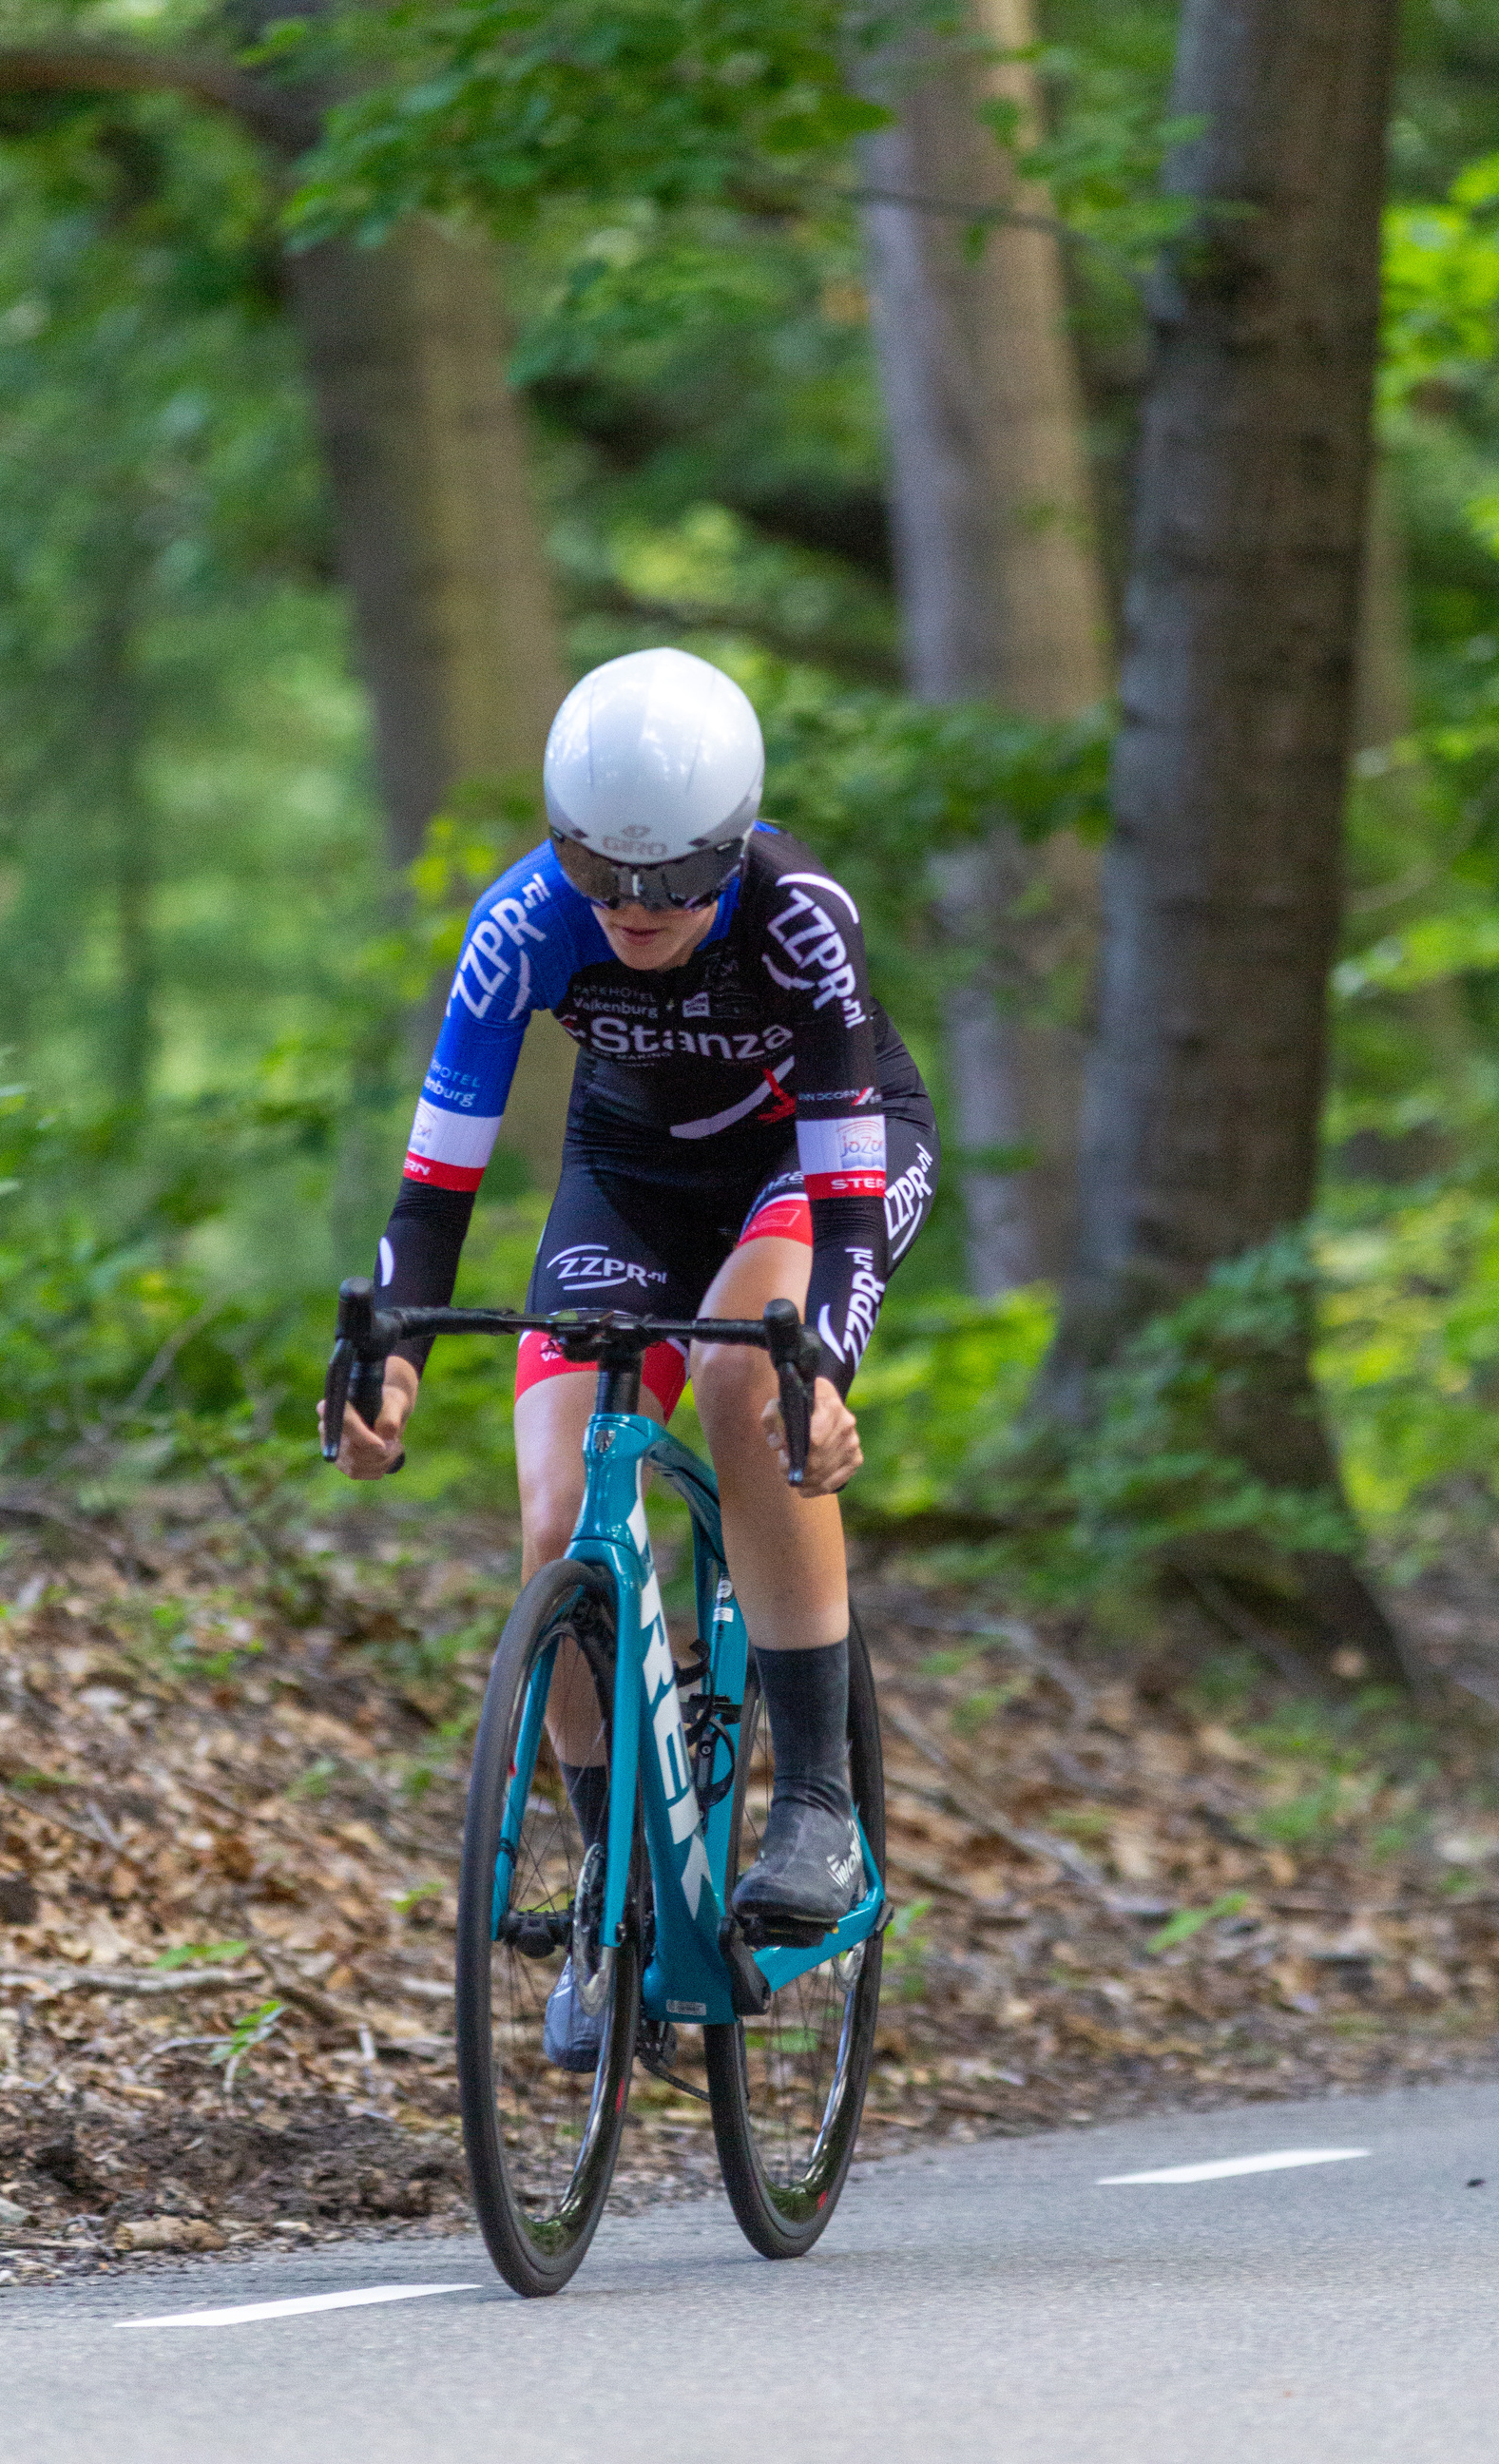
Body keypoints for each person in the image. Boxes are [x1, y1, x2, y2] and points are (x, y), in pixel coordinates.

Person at [320, 646, 937, 2064]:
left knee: (744, 1380)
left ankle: (818, 1813)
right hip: (627, 1177)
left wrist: (823, 1371)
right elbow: (434, 1188)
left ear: (731, 847)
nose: (636, 909)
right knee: (554, 1517)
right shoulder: (524, 925)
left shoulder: (799, 920)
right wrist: (390, 1354)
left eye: (672, 881)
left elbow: (845, 1194)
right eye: (601, 875)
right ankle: (616, 1880)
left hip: (814, 1169)